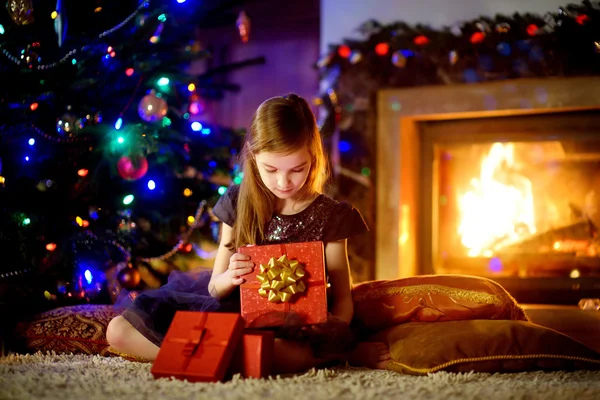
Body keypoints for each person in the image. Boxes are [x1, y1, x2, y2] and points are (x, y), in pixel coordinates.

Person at [106, 94, 390, 373]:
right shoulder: (237, 202)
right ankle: (216, 359)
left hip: (298, 327)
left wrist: (333, 331)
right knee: (117, 331)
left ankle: (220, 359)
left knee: (276, 350)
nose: (283, 181)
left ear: (313, 159)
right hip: (235, 313)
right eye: (271, 169)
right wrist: (231, 276)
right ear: (254, 158)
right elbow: (214, 288)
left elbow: (342, 298)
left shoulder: (331, 216)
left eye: (297, 169)